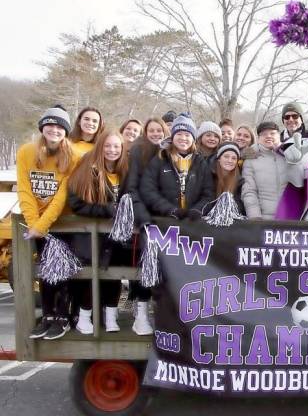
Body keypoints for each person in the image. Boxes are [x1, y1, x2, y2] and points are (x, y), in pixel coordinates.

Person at [18, 105, 78, 340]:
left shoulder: (73, 155)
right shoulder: (26, 152)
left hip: (62, 221)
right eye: (50, 125)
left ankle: (63, 315)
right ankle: (48, 315)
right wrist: (33, 223)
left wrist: (42, 225)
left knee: (62, 270)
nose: (54, 130)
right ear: (43, 128)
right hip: (37, 223)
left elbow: (63, 195)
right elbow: (24, 189)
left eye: (59, 126)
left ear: (65, 131)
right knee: (44, 270)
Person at [67, 131, 134, 334]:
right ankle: (84, 316)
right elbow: (76, 203)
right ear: (100, 147)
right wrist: (105, 210)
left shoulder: (126, 170)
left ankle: (111, 316)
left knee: (114, 275)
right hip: (93, 233)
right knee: (90, 274)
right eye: (108, 146)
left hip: (119, 234)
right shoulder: (88, 168)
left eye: (116, 146)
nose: (112, 150)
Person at [125, 117, 170, 335]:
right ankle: (140, 314)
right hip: (146, 218)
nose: (155, 134)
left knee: (169, 268)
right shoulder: (138, 151)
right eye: (151, 130)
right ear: (146, 132)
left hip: (166, 218)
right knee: (146, 266)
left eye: (159, 130)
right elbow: (132, 187)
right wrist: (143, 217)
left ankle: (164, 314)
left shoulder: (169, 153)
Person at [139, 114, 214, 219]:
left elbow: (208, 193)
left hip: (192, 222)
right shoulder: (161, 158)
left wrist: (198, 209)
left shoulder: (200, 162)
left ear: (193, 138)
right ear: (172, 136)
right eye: (179, 134)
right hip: (164, 220)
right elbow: (148, 189)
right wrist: (169, 209)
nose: (183, 138)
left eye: (187, 135)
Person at [241, 122, 288, 220]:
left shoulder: (289, 154)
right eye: (264, 134)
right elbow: (249, 191)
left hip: (290, 217)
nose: (268, 136)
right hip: (264, 219)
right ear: (258, 138)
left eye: (272, 133)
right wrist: (255, 217)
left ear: (279, 135)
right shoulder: (251, 159)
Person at [212, 142, 244, 211]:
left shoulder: (240, 182)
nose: (230, 161)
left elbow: (240, 205)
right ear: (219, 159)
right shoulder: (210, 176)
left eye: (234, 158)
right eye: (226, 156)